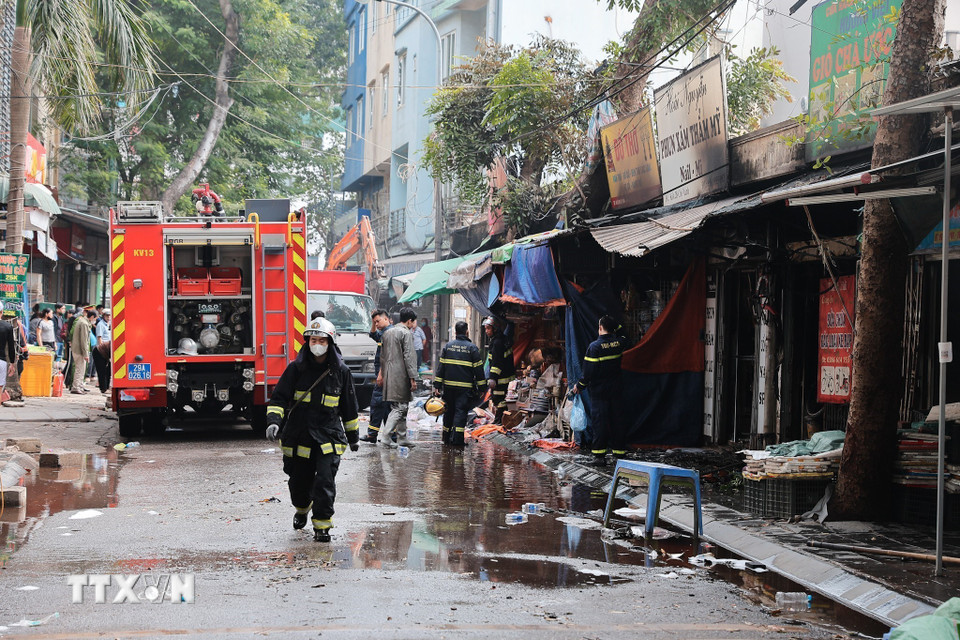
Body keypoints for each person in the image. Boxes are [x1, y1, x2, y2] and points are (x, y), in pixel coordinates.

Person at [264, 317, 360, 542]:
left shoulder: (341, 372)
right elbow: (279, 398)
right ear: (307, 342)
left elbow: (349, 407)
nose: (317, 344)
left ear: (330, 342)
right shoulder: (296, 369)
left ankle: (322, 526)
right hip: (299, 435)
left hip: (328, 435)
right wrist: (274, 421)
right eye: (313, 340)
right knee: (298, 482)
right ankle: (302, 507)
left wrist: (353, 437)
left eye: (321, 340)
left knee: (325, 482)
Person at [570, 315, 626, 464]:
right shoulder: (620, 343)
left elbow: (588, 372)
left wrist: (579, 386)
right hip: (616, 389)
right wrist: (616, 326)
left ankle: (599, 456)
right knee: (617, 420)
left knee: (600, 422)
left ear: (600, 328)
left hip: (600, 391)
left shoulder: (594, 347)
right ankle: (619, 452)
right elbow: (623, 333)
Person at [434, 321, 484, 447]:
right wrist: (482, 387)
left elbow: (441, 368)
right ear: (467, 331)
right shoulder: (472, 348)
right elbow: (478, 370)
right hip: (464, 389)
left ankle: (445, 439)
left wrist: (437, 386)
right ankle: (457, 441)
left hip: (448, 388)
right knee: (460, 413)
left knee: (448, 412)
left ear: (455, 332)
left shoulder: (448, 347)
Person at [377, 306, 418, 448]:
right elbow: (409, 357)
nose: (414, 325)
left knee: (401, 406)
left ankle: (402, 438)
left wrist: (382, 375)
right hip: (401, 375)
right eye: (413, 322)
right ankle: (386, 437)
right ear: (409, 321)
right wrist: (413, 378)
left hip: (389, 374)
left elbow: (382, 357)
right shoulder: (405, 334)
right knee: (399, 408)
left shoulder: (388, 333)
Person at [360, 308, 392, 443]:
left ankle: (372, 435)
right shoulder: (383, 332)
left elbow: (386, 357)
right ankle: (389, 435)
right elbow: (372, 334)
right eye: (374, 322)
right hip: (385, 375)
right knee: (385, 406)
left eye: (378, 321)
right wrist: (373, 320)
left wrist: (381, 375)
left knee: (377, 403)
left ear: (387, 319)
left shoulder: (388, 334)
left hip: (384, 375)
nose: (376, 324)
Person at [483, 317, 514, 421]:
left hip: (500, 378)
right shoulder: (503, 339)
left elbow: (497, 363)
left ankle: (499, 421)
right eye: (486, 328)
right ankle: (503, 420)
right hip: (505, 376)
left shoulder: (497, 343)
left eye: (488, 328)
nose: (486, 331)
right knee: (501, 399)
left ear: (495, 329)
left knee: (498, 399)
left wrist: (492, 378)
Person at [70, 310, 95, 394]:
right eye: (94, 318)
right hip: (79, 350)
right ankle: (76, 387)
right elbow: (84, 340)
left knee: (82, 369)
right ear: (91, 317)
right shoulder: (84, 323)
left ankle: (80, 386)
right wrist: (86, 354)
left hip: (78, 349)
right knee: (79, 369)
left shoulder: (82, 321)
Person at [92, 309, 112, 393]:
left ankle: (106, 387)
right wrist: (102, 347)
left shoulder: (110, 324)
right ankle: (103, 388)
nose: (109, 317)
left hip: (107, 349)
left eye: (110, 316)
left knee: (108, 371)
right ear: (103, 316)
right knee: (101, 370)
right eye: (107, 316)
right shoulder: (100, 325)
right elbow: (99, 338)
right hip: (100, 351)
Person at [0, 304, 18, 398]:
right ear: (2, 312)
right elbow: (11, 347)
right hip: (1, 361)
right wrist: (12, 363)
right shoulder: (7, 326)